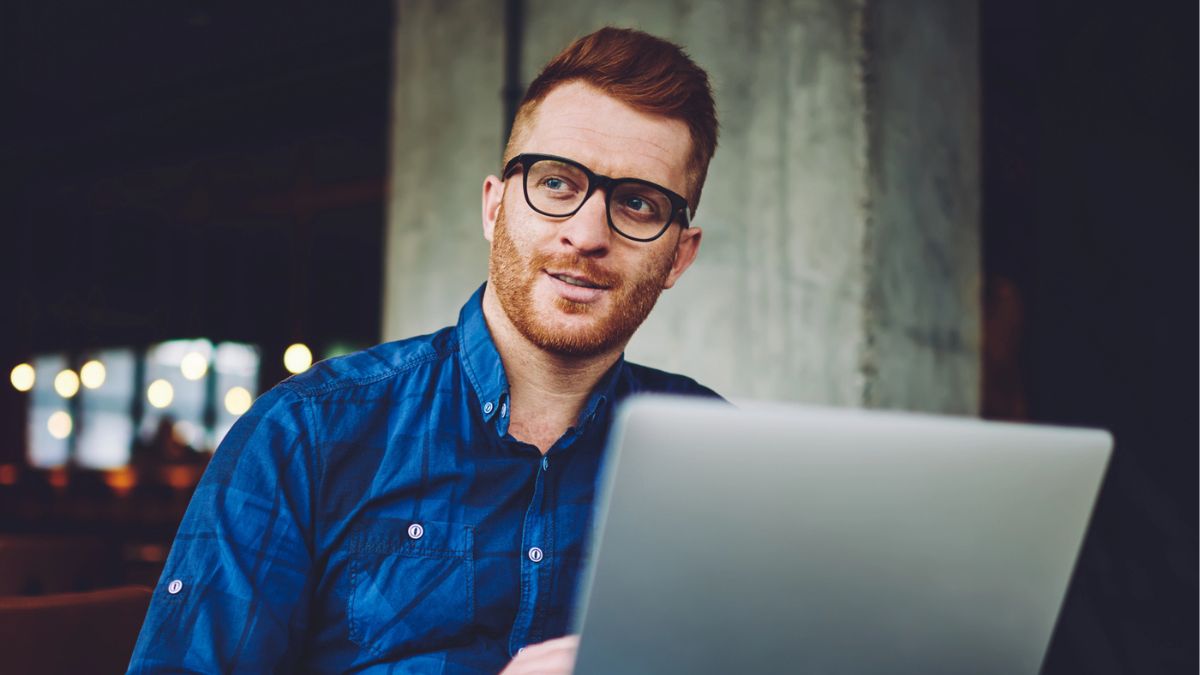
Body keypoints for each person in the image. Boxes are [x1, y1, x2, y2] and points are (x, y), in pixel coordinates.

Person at [128, 26, 720, 674]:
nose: (586, 233)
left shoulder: (712, 454)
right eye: (556, 183)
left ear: (678, 255)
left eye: (637, 203)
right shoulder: (305, 434)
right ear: (495, 208)